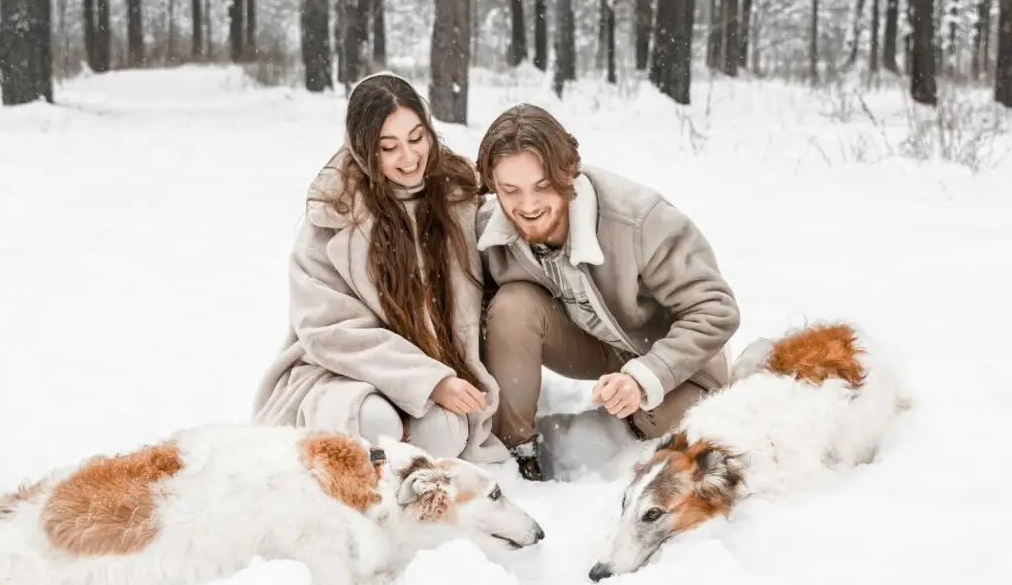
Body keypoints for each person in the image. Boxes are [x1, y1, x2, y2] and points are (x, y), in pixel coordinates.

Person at [251, 72, 508, 464]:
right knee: (374, 422)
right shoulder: (332, 216)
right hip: (346, 372)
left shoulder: (458, 194)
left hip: (442, 366)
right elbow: (328, 330)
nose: (408, 158)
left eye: (416, 138)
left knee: (443, 435)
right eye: (389, 148)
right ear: (364, 150)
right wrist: (427, 380)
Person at [475, 104, 740, 480]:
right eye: (510, 190)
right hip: (590, 341)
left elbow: (716, 310)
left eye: (543, 186)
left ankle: (631, 421)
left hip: (671, 351)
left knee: (664, 419)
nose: (528, 205)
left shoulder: (642, 220)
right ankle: (518, 451)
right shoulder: (490, 230)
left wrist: (643, 378)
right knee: (512, 306)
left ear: (568, 173)